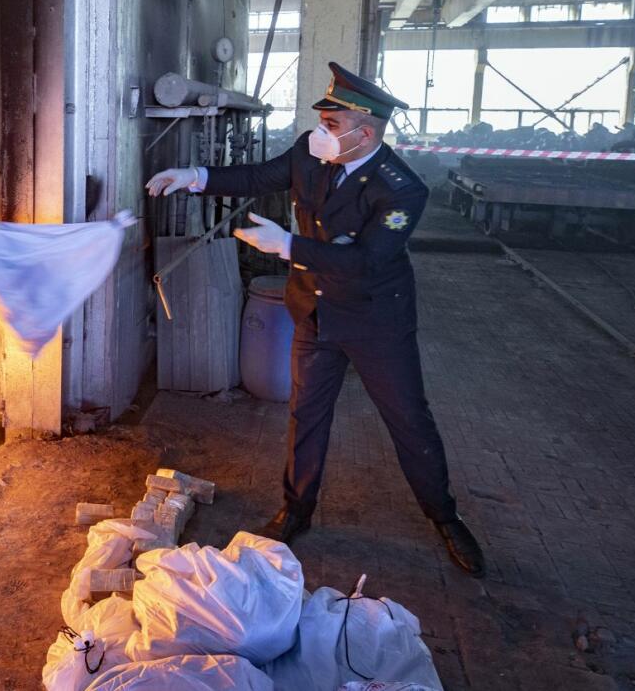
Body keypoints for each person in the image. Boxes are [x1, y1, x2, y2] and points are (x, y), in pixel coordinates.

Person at [145, 62, 484, 576]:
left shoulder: (402, 189)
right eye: (322, 122)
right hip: (316, 312)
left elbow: (368, 260)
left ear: (364, 134)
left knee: (409, 420)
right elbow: (258, 176)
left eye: (332, 125)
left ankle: (444, 516)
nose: (320, 132)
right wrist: (195, 178)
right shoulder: (311, 151)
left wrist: (288, 246)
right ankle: (297, 508)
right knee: (306, 416)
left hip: (375, 321)